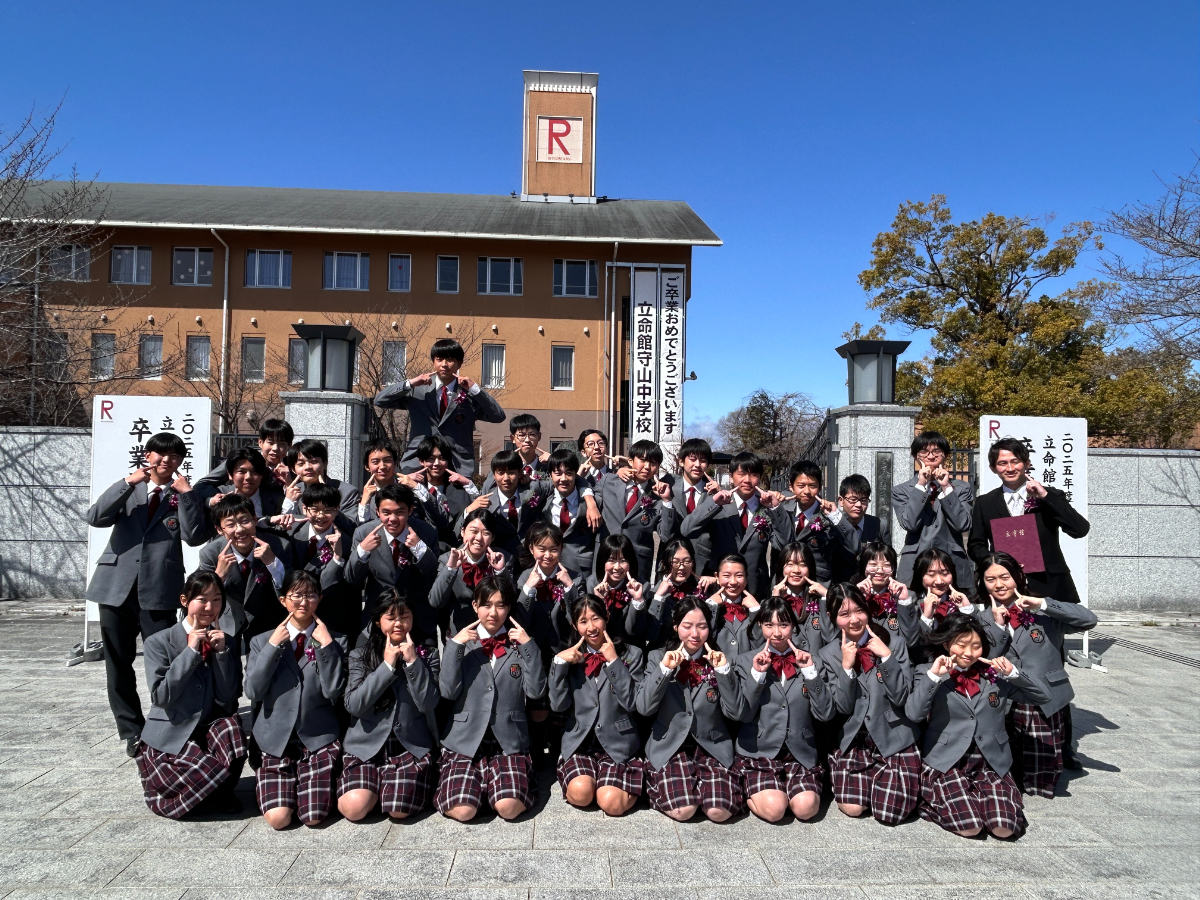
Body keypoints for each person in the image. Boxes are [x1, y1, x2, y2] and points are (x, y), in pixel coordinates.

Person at [86, 431, 207, 756]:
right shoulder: (130, 489)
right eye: (160, 453)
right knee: (118, 664)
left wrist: (187, 495)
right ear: (148, 455)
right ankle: (131, 730)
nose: (166, 460)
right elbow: (95, 517)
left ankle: (166, 726)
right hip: (116, 589)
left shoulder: (181, 494)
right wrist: (128, 482)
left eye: (174, 455)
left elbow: (194, 537)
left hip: (160, 590)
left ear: (180, 461)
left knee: (166, 663)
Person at [907, 613, 1051, 839]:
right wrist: (934, 676)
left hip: (991, 762)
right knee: (970, 827)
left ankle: (981, 801)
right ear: (946, 644)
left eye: (976, 646)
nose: (969, 652)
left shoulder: (994, 675)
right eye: (961, 645)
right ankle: (932, 804)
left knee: (1004, 829)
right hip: (948, 761)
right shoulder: (927, 671)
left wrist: (1014, 673)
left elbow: (1044, 697)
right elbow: (914, 713)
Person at [979, 552, 1097, 796]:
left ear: (1018, 576)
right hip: (1006, 697)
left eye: (1005, 577)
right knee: (1007, 764)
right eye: (991, 579)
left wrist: (1042, 603)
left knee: (1041, 777)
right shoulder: (981, 618)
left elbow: (1089, 620)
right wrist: (998, 626)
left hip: (1043, 696)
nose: (999, 584)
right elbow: (985, 657)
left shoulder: (1044, 612)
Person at [134, 571, 245, 817]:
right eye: (202, 600)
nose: (210, 607)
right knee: (195, 778)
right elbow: (161, 697)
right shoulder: (158, 642)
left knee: (232, 726)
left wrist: (222, 654)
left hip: (208, 727)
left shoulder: (227, 641)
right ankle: (203, 791)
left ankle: (222, 791)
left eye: (217, 600)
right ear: (184, 600)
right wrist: (191, 651)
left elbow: (229, 697)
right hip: (172, 731)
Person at [436, 576, 546, 821]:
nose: (493, 613)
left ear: (509, 608)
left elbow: (536, 691)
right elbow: (448, 691)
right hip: (466, 739)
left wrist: (529, 646)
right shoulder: (462, 643)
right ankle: (478, 790)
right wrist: (454, 647)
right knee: (463, 810)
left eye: (500, 605)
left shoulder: (520, 644)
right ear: (475, 606)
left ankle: (494, 789)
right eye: (486, 605)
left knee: (509, 808)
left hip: (508, 740)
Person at [245, 570, 348, 829]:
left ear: (319, 599)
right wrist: (272, 647)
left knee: (314, 816)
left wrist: (327, 648)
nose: (304, 602)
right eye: (297, 595)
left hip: (317, 738)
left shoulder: (336, 640)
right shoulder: (261, 641)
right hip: (274, 740)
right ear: (283, 600)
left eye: (311, 595)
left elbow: (333, 691)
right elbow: (253, 691)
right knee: (279, 819)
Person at [817, 583, 922, 826]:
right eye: (844, 614)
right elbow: (843, 707)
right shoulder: (828, 654)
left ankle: (894, 783)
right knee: (852, 808)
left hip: (894, 736)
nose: (854, 620)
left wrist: (886, 658)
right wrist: (846, 667)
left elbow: (901, 698)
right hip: (856, 739)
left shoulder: (894, 643)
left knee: (889, 814)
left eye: (859, 611)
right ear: (832, 617)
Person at [635, 596, 747, 822]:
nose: (694, 634)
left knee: (719, 811)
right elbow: (644, 708)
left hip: (712, 745)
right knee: (684, 810)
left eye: (702, 626)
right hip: (670, 746)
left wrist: (723, 672)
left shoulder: (720, 659)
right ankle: (661, 785)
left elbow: (736, 712)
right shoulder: (658, 657)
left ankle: (707, 787)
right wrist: (665, 670)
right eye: (687, 626)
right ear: (676, 627)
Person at [338, 591, 441, 821]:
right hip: (366, 747)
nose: (398, 623)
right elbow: (354, 705)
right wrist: (386, 667)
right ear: (377, 621)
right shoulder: (360, 655)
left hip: (410, 748)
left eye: (404, 616)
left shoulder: (428, 654)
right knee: (354, 809)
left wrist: (413, 662)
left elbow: (428, 703)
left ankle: (389, 790)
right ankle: (374, 790)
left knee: (400, 809)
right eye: (391, 617)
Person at [732, 595, 833, 822]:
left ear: (794, 626)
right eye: (769, 625)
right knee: (775, 810)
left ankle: (786, 790)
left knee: (806, 810)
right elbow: (743, 714)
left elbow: (825, 713)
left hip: (800, 750)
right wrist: (757, 675)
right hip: (759, 749)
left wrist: (810, 673)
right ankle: (751, 790)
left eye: (784, 624)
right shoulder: (744, 661)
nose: (777, 633)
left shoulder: (813, 661)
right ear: (760, 625)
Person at [550, 595, 647, 816]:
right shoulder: (571, 657)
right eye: (583, 621)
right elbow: (558, 705)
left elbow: (632, 703)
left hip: (618, 742)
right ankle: (593, 780)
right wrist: (559, 664)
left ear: (607, 617)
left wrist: (614, 662)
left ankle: (616, 784)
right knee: (581, 793)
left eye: (596, 618)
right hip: (581, 742)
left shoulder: (632, 654)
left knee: (612, 803)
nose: (591, 627)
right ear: (574, 625)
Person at [968, 436, 1091, 605]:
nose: (1010, 468)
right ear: (993, 468)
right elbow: (975, 545)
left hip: (1049, 585)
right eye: (1002, 463)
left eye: (1015, 461)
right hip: (1004, 588)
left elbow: (1080, 529)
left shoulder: (1049, 496)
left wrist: (1045, 496)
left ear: (1027, 463)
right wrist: (997, 563)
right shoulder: (985, 503)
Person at [374, 337, 506, 478]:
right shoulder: (418, 390)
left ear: (459, 363)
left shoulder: (469, 394)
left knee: (458, 493)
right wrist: (410, 383)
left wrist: (475, 389)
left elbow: (498, 416)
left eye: (450, 360)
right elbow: (380, 400)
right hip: (418, 460)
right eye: (439, 359)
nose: (444, 364)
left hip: (457, 464)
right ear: (433, 362)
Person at [343, 484, 440, 646]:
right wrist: (362, 551)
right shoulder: (364, 533)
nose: (393, 519)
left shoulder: (426, 532)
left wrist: (420, 549)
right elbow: (352, 578)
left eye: (399, 512)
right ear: (377, 511)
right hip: (377, 619)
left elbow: (435, 576)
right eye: (386, 513)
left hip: (418, 620)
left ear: (410, 510)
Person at [681, 451, 788, 598]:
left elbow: (784, 544)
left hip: (755, 587)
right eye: (741, 474)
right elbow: (687, 530)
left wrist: (775, 509)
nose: (747, 480)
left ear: (760, 478)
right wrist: (714, 503)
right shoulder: (718, 502)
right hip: (719, 585)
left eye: (753, 475)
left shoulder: (767, 507)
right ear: (731, 477)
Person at [198, 495, 291, 648]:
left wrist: (273, 563)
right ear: (219, 529)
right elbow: (201, 596)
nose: (240, 529)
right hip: (228, 624)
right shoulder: (210, 553)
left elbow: (291, 590)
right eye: (230, 524)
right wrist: (218, 577)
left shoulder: (279, 545)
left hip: (269, 624)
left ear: (255, 519)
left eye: (245, 521)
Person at [892, 431, 974, 587]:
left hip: (953, 563)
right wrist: (921, 486)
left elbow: (963, 524)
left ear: (946, 455)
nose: (930, 456)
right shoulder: (901, 490)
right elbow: (909, 524)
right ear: (915, 456)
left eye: (936, 451)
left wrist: (946, 487)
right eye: (924, 451)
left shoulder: (961, 488)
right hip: (915, 564)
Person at [285, 483, 358, 641]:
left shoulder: (347, 543)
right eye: (315, 509)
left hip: (331, 616)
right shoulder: (292, 531)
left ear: (337, 510)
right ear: (304, 509)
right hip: (294, 614)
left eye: (327, 510)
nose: (320, 516)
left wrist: (337, 556)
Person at [597, 439, 676, 581]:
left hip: (638, 564)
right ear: (630, 461)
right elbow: (586, 492)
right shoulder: (609, 481)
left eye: (653, 463)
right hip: (606, 557)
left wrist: (667, 501)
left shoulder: (658, 495)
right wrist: (591, 505)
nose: (647, 467)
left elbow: (665, 536)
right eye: (643, 460)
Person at [429, 508, 512, 637]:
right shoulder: (447, 559)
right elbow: (436, 601)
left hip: (495, 633)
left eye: (486, 533)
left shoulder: (503, 558)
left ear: (492, 538)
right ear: (462, 532)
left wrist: (500, 571)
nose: (479, 538)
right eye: (474, 531)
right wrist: (451, 568)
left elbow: (512, 600)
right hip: (460, 633)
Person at [522, 447, 602, 578]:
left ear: (576, 474)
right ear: (550, 474)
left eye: (569, 473)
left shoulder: (592, 502)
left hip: (580, 571)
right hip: (547, 567)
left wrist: (590, 503)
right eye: (558, 473)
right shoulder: (544, 498)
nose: (563, 479)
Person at [911, 547, 1004, 655]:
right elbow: (914, 647)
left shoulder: (966, 603)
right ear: (920, 576)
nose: (939, 581)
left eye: (945, 573)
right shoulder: (912, 606)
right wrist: (926, 617)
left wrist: (967, 611)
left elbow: (981, 642)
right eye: (931, 574)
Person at [188, 447, 285, 539]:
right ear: (230, 475)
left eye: (254, 472)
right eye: (241, 471)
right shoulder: (218, 496)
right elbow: (194, 537)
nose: (248, 477)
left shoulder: (278, 500)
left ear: (262, 475)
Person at [773, 460, 841, 585]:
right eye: (801, 486)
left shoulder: (828, 515)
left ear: (820, 487)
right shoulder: (781, 511)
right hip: (784, 582)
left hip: (818, 583)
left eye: (812, 486)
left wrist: (836, 516)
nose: (807, 491)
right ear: (791, 486)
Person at [409, 435, 480, 548]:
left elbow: (479, 510)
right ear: (421, 461)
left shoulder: (460, 490)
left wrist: (467, 483)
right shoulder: (412, 489)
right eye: (431, 458)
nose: (437, 463)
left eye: (442, 458)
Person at [457, 450, 531, 557]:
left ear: (519, 473)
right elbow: (457, 532)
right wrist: (469, 509)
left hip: (530, 556)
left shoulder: (532, 492)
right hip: (497, 557)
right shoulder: (485, 501)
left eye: (511, 473)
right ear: (494, 475)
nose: (506, 478)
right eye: (501, 473)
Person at [647, 538, 717, 651]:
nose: (681, 567)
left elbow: (710, 632)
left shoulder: (699, 591)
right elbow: (651, 634)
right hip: (664, 653)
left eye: (687, 561)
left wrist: (717, 583)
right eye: (675, 562)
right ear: (664, 563)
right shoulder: (652, 594)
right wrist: (658, 597)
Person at [198, 418, 294, 498]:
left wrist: (288, 483)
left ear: (289, 445)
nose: (275, 448)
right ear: (260, 442)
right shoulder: (242, 459)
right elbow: (202, 484)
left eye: (282, 444)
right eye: (270, 442)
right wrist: (219, 498)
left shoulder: (294, 467)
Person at [586, 534, 652, 646]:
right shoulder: (591, 584)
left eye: (623, 561)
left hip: (629, 646)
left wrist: (637, 600)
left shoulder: (641, 586)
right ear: (602, 562)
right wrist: (600, 601)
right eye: (611, 560)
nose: (617, 567)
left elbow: (634, 631)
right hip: (601, 644)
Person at [854, 541, 920, 650]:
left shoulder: (907, 597)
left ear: (893, 570)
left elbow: (911, 641)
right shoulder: (851, 594)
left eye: (886, 565)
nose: (880, 571)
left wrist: (903, 601)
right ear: (864, 568)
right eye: (873, 565)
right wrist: (856, 599)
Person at [770, 541, 830, 656]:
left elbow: (830, 636)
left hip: (817, 664)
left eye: (802, 564)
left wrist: (827, 596)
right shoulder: (771, 601)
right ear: (781, 568)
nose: (796, 570)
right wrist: (775, 601)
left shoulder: (820, 601)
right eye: (790, 564)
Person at [830, 474, 891, 583]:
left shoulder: (880, 525)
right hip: (839, 585)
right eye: (853, 500)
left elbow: (889, 559)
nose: (858, 505)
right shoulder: (833, 525)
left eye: (863, 500)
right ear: (841, 500)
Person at [670, 438, 718, 575]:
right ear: (681, 461)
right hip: (671, 561)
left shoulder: (714, 494)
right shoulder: (668, 486)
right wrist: (623, 468)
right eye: (692, 459)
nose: (697, 465)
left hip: (703, 564)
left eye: (702, 460)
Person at [281, 439, 360, 518]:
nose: (308, 467)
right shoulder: (294, 492)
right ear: (293, 469)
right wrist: (289, 503)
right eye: (301, 464)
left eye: (314, 462)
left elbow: (350, 524)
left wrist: (327, 500)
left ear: (325, 464)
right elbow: (285, 524)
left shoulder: (347, 492)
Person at [706, 554, 761, 660]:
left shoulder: (754, 608)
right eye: (726, 576)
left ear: (746, 578)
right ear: (717, 577)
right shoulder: (706, 606)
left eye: (739, 576)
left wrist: (756, 611)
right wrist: (710, 607)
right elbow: (705, 638)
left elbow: (759, 644)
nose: (733, 582)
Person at [482, 413, 549, 491]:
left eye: (532, 434)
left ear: (539, 436)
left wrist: (552, 461)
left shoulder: (547, 466)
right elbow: (486, 489)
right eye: (521, 435)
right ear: (513, 438)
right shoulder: (504, 464)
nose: (527, 440)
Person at [357, 438, 401, 524]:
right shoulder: (360, 498)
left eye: (387, 460)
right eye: (375, 462)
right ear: (367, 467)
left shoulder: (408, 491)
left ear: (395, 463)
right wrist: (364, 503)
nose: (382, 466)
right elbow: (361, 528)